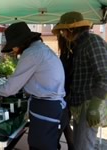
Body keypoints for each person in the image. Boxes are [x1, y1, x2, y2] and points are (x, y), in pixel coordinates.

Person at [0, 21, 66, 150]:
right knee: (48, 143)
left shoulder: (32, 53)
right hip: (52, 105)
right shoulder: (41, 49)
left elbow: (10, 89)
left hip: (46, 107)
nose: (14, 50)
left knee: (40, 146)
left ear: (22, 42)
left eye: (14, 46)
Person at [52, 11, 107, 150]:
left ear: (71, 29)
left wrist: (94, 107)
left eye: (64, 30)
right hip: (80, 104)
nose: (63, 34)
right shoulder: (79, 45)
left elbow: (105, 75)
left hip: (89, 103)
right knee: (78, 145)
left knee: (83, 146)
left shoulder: (93, 41)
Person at [56, 34, 75, 150]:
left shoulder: (68, 55)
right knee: (65, 123)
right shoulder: (67, 54)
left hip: (65, 94)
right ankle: (70, 146)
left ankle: (57, 144)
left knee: (61, 124)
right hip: (66, 93)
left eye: (59, 39)